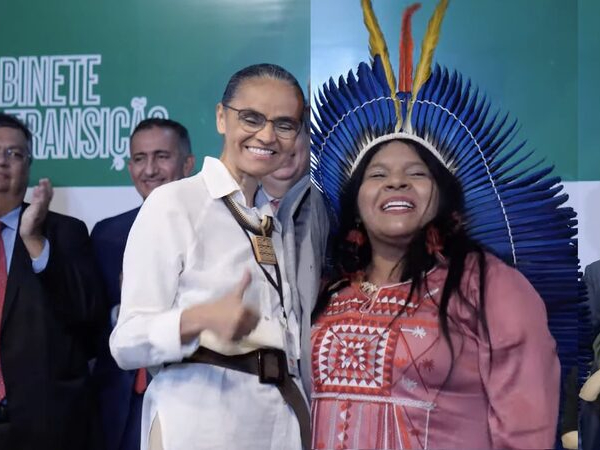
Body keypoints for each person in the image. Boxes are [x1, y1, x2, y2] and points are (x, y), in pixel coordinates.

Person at [309, 1, 578, 448]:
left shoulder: (488, 286)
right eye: (377, 175)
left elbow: (526, 426)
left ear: (442, 195)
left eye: (417, 173)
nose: (396, 182)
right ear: (355, 201)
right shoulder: (328, 288)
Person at [110, 64, 309, 450]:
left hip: (278, 419)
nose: (267, 135)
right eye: (251, 118)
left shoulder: (273, 220)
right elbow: (126, 342)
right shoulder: (174, 203)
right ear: (221, 117)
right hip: (201, 419)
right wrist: (199, 319)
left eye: (285, 124)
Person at [0, 112, 105, 449]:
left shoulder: (63, 231)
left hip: (46, 424)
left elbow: (89, 315)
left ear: (29, 164)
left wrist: (34, 241)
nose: (2, 162)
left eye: (13, 153)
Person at [91, 118, 195, 450]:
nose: (150, 169)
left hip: (188, 401)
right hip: (119, 406)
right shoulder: (106, 235)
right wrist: (124, 309)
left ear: (187, 164)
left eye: (162, 156)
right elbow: (91, 327)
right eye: (139, 158)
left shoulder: (210, 229)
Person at [261, 114, 329, 399]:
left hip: (317, 386)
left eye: (290, 129)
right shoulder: (224, 211)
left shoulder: (335, 211)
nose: (281, 143)